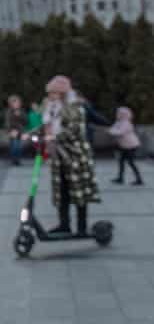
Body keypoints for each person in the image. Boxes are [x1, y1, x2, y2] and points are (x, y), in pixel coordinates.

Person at [43, 75, 101, 235]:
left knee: (79, 190)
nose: (50, 96)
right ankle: (64, 224)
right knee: (62, 191)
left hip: (75, 154)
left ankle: (82, 228)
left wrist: (55, 137)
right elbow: (47, 125)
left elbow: (76, 130)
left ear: (62, 92)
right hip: (59, 155)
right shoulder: (53, 107)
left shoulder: (75, 107)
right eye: (50, 93)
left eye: (53, 92)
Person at [108, 106, 145, 185]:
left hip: (131, 145)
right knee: (121, 161)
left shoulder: (126, 123)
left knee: (130, 162)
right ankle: (120, 178)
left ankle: (139, 179)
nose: (117, 115)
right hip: (124, 145)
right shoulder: (118, 122)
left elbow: (119, 132)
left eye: (119, 113)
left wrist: (111, 131)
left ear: (124, 114)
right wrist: (111, 131)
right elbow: (113, 129)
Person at [5, 95, 28, 165]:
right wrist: (10, 131)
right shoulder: (9, 112)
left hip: (21, 131)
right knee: (14, 146)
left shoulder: (22, 111)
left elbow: (26, 122)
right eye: (15, 103)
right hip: (13, 132)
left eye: (18, 103)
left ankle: (17, 160)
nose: (17, 104)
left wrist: (20, 115)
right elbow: (7, 122)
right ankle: (14, 160)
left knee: (19, 146)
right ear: (11, 104)